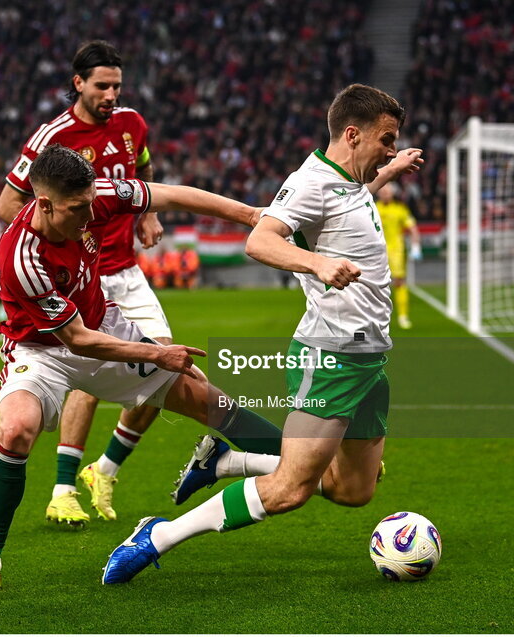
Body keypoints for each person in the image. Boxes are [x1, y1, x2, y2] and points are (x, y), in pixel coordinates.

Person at [102, 83, 423, 584]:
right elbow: (260, 239)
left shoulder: (350, 178)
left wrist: (388, 170)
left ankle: (230, 461)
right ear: (353, 134)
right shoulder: (311, 182)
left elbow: (349, 199)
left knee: (353, 489)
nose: (389, 146)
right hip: (332, 354)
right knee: (290, 489)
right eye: (386, 139)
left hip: (370, 360)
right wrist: (316, 262)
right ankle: (158, 536)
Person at [0, 144, 284, 598]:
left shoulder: (94, 195)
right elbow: (76, 341)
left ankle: (304, 456)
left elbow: (170, 194)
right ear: (43, 204)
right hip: (42, 349)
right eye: (76, 210)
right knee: (17, 428)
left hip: (102, 323)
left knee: (209, 400)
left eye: (90, 205)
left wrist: (249, 216)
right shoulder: (21, 256)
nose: (89, 217)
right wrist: (157, 354)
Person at [0, 41, 176, 526]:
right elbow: (9, 205)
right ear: (78, 83)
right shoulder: (53, 136)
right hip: (77, 279)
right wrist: (57, 248)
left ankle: (105, 468)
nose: (111, 94)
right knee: (87, 366)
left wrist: (148, 214)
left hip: (127, 271)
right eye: (102, 85)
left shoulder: (132, 123)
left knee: (163, 369)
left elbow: (143, 171)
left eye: (117, 85)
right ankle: (61, 488)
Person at [376, 182, 420, 329]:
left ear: (392, 193)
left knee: (399, 282)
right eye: (383, 191)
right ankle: (377, 317)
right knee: (373, 285)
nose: (385, 193)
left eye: (387, 191)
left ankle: (403, 316)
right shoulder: (373, 207)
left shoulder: (400, 209)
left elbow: (413, 228)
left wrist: (415, 246)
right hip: (376, 251)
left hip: (396, 252)